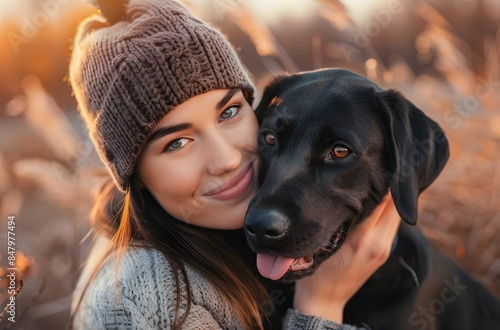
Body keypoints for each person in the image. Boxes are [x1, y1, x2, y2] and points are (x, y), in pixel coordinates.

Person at [68, 0, 401, 329]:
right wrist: (321, 304)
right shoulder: (141, 304)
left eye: (229, 112)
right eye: (177, 143)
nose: (227, 159)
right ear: (133, 177)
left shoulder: (240, 233)